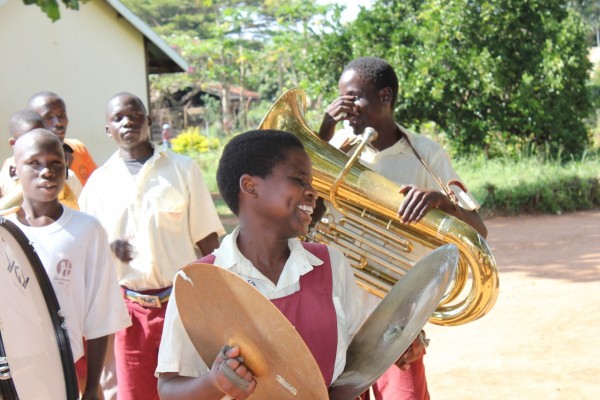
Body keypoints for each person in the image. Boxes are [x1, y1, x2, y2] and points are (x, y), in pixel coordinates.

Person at [156, 129, 376, 399]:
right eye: (299, 181)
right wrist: (216, 383)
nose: (313, 193)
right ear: (250, 186)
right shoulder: (198, 281)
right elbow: (168, 389)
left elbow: (358, 358)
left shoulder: (331, 264)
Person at [318, 56, 488, 400]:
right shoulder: (335, 150)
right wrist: (323, 131)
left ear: (385, 96)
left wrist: (441, 200)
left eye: (354, 97)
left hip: (398, 325)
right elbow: (307, 213)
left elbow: (479, 230)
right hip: (337, 318)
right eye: (341, 99)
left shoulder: (426, 154)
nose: (346, 108)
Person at [78, 92, 224, 400]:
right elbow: (85, 252)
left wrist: (218, 304)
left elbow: (209, 242)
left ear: (150, 121)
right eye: (117, 118)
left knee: (192, 391)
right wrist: (108, 249)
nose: (127, 121)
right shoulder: (98, 184)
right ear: (108, 130)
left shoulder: (183, 170)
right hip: (128, 313)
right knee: (135, 394)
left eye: (134, 115)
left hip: (182, 306)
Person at [4, 129, 130, 399]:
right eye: (34, 163)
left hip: (61, 373)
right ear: (15, 170)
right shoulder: (4, 234)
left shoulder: (86, 231)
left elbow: (101, 316)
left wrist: (93, 388)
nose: (47, 171)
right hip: (9, 376)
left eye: (55, 163)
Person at [0, 109, 82, 207]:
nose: (37, 142)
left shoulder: (68, 178)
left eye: (42, 135)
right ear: (13, 144)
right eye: (34, 163)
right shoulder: (4, 178)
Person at [28, 91, 97, 186]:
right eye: (48, 117)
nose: (58, 122)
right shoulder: (22, 160)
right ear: (34, 123)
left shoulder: (78, 148)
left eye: (62, 115)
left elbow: (96, 186)